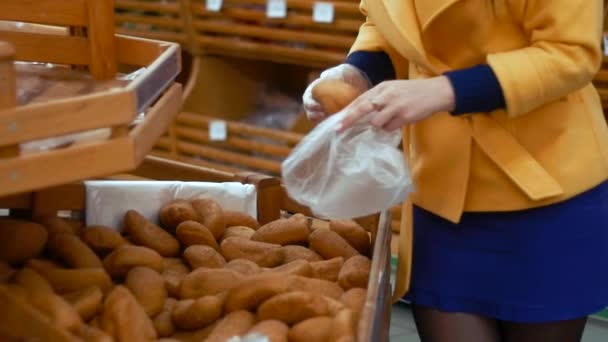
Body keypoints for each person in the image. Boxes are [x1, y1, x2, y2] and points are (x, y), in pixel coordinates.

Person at [302, 1, 608, 341]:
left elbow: (569, 54)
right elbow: (386, 20)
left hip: (548, 191)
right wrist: (356, 73)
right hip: (442, 195)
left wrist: (445, 90)